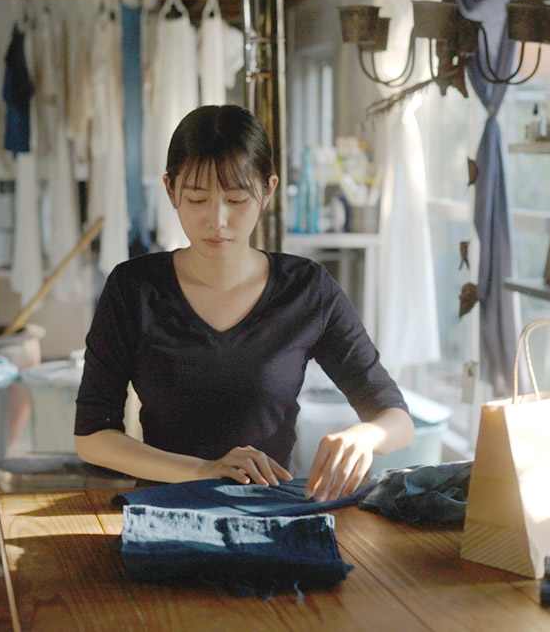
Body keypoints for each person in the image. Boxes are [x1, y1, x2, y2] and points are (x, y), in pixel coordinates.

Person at [74, 105, 413, 502]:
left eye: (236, 200)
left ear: (268, 190)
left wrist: (365, 436)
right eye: (197, 199)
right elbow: (93, 436)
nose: (217, 220)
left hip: (270, 510)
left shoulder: (306, 290)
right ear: (170, 190)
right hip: (164, 508)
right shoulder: (134, 288)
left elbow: (396, 419)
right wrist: (202, 471)